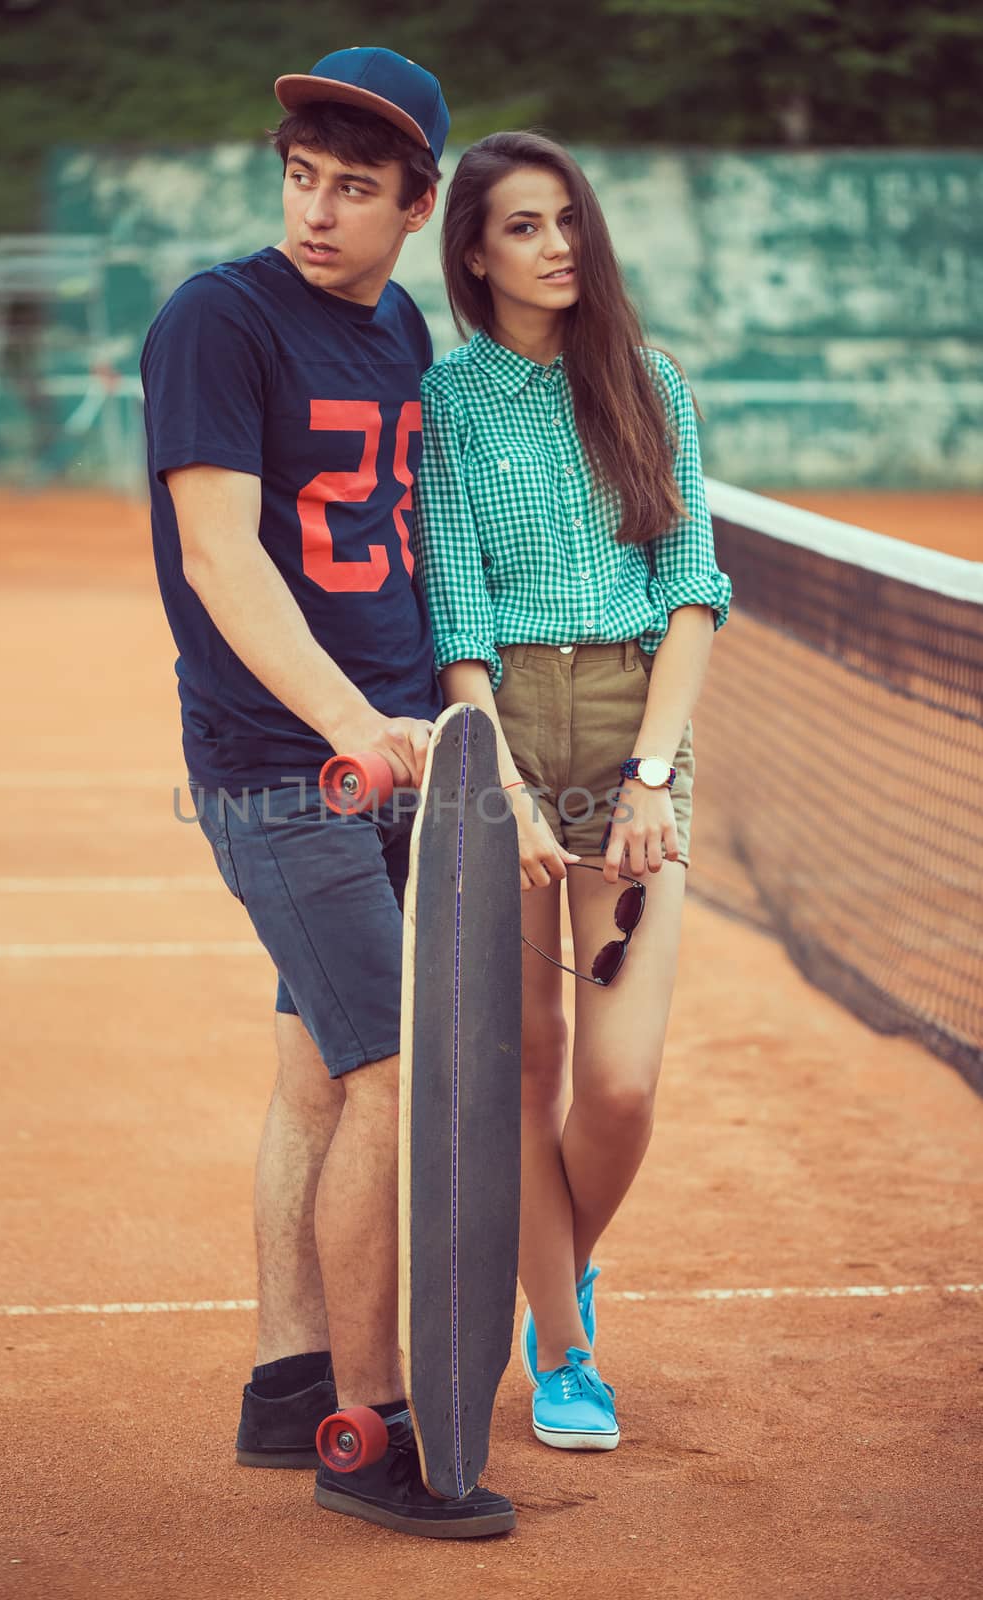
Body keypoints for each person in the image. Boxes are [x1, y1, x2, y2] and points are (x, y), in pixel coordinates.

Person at [139, 50, 515, 1539]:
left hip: (399, 755)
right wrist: (360, 720)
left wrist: (429, 714)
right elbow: (222, 560)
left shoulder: (404, 320)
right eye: (301, 177)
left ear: (416, 209)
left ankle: (287, 1384)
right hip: (280, 770)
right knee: (387, 1077)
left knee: (317, 1073)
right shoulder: (216, 322)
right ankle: (380, 1426)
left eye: (356, 188)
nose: (317, 211)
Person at [412, 130, 732, 1452]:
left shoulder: (646, 382)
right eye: (524, 228)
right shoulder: (442, 402)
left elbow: (693, 587)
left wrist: (649, 777)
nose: (557, 248)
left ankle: (556, 1266)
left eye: (566, 223)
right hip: (497, 738)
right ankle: (562, 1349)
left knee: (615, 1088)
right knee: (522, 1069)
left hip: (628, 723)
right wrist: (502, 788)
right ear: (474, 255)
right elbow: (455, 614)